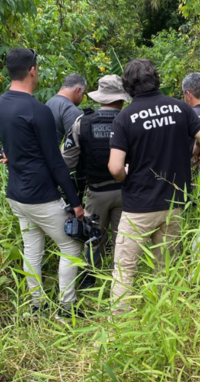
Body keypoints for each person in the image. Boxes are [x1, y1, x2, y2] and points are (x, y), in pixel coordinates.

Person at [108, 59, 200, 312]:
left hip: (138, 207)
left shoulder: (124, 118)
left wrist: (127, 176)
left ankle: (120, 328)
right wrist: (197, 150)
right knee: (166, 266)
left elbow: (115, 167)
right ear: (156, 79)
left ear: (128, 86)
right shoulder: (180, 108)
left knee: (125, 269)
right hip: (174, 203)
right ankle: (165, 317)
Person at [0, 48, 84, 318]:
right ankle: (66, 309)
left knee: (32, 248)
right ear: (32, 70)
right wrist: (75, 202)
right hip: (41, 197)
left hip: (16, 196)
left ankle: (37, 306)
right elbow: (56, 162)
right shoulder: (38, 110)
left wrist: (0, 152)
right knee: (71, 246)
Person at [62, 75, 131, 286]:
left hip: (96, 191)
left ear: (100, 97)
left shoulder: (82, 122)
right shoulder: (130, 120)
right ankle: (121, 281)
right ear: (121, 97)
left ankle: (91, 278)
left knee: (93, 238)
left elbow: (68, 161)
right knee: (124, 239)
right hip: (126, 190)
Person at [46, 73, 86, 146]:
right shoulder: (71, 110)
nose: (82, 98)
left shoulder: (48, 103)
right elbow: (76, 144)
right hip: (61, 155)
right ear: (78, 90)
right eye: (83, 94)